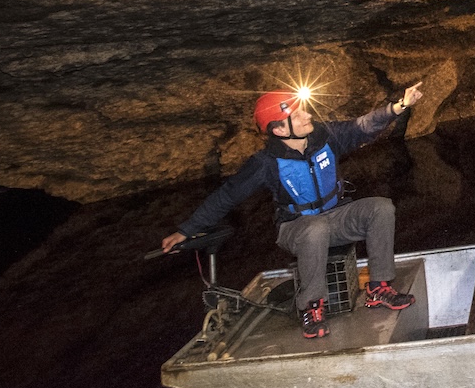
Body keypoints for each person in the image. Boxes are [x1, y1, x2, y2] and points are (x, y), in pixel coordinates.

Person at [161, 83, 424, 340]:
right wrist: (186, 231)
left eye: (304, 110)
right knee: (314, 228)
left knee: (380, 207)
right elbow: (226, 196)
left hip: (335, 216)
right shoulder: (265, 163)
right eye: (297, 114)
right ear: (278, 129)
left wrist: (399, 106)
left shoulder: (326, 137)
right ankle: (311, 307)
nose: (307, 115)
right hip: (295, 228)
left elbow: (364, 126)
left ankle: (379, 288)